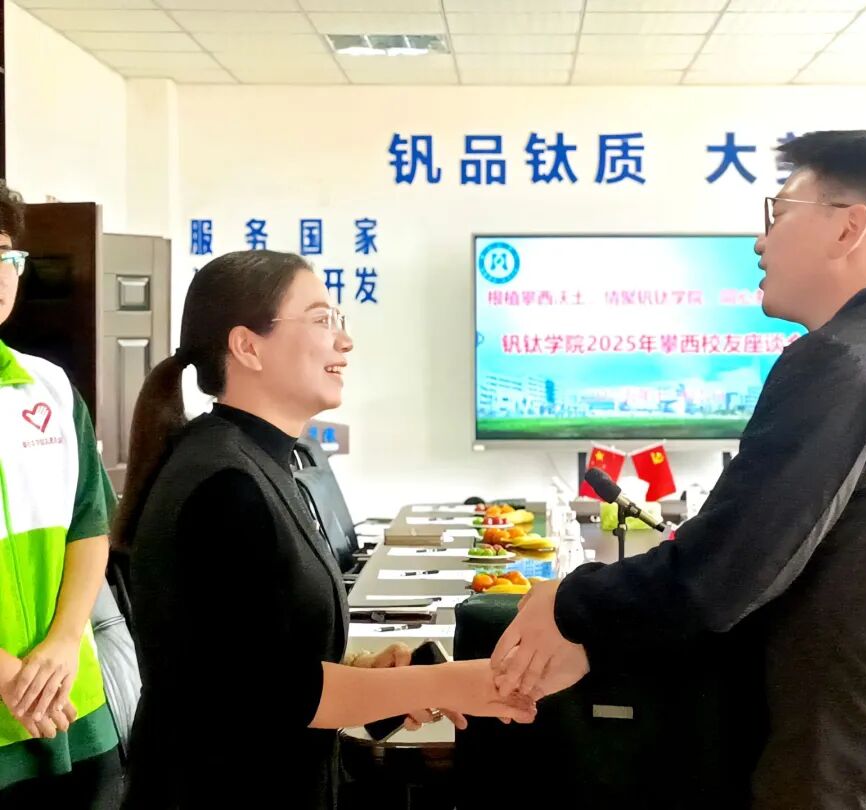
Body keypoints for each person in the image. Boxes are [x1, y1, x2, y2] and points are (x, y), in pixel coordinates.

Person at [493, 130, 866, 809]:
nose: (760, 243)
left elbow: (722, 574)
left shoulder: (848, 362)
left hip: (859, 772)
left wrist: (568, 602)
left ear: (848, 228)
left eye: (779, 213)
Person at [113, 250, 534, 808]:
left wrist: (370, 678)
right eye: (321, 320)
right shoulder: (225, 485)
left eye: (339, 320)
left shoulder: (252, 460)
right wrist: (449, 683)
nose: (345, 341)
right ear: (247, 346)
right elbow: (274, 695)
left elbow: (249, 659)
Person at [0, 180, 123, 806]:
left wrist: (62, 641)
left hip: (72, 703)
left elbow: (89, 523)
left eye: (5, 254)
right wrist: (8, 674)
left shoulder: (46, 385)